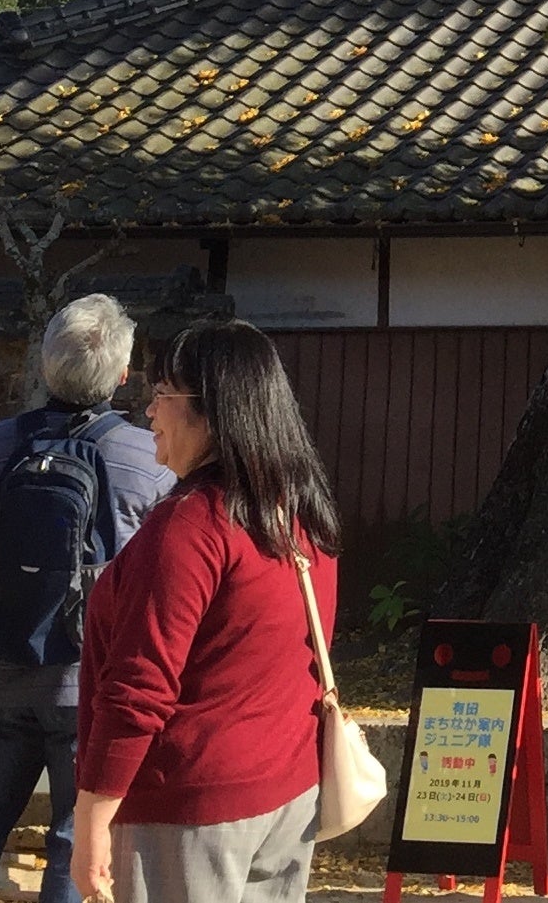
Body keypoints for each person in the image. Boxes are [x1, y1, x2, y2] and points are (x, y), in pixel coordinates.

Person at [73, 320, 341, 903]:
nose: (149, 411)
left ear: (211, 409)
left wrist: (90, 821)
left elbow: (139, 687)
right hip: (287, 788)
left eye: (163, 394)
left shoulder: (189, 526)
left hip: (188, 803)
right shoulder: (298, 515)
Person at [0, 296, 174, 903]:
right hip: (87, 680)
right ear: (123, 375)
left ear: (44, 365)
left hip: (1, 669)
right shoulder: (145, 456)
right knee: (72, 840)